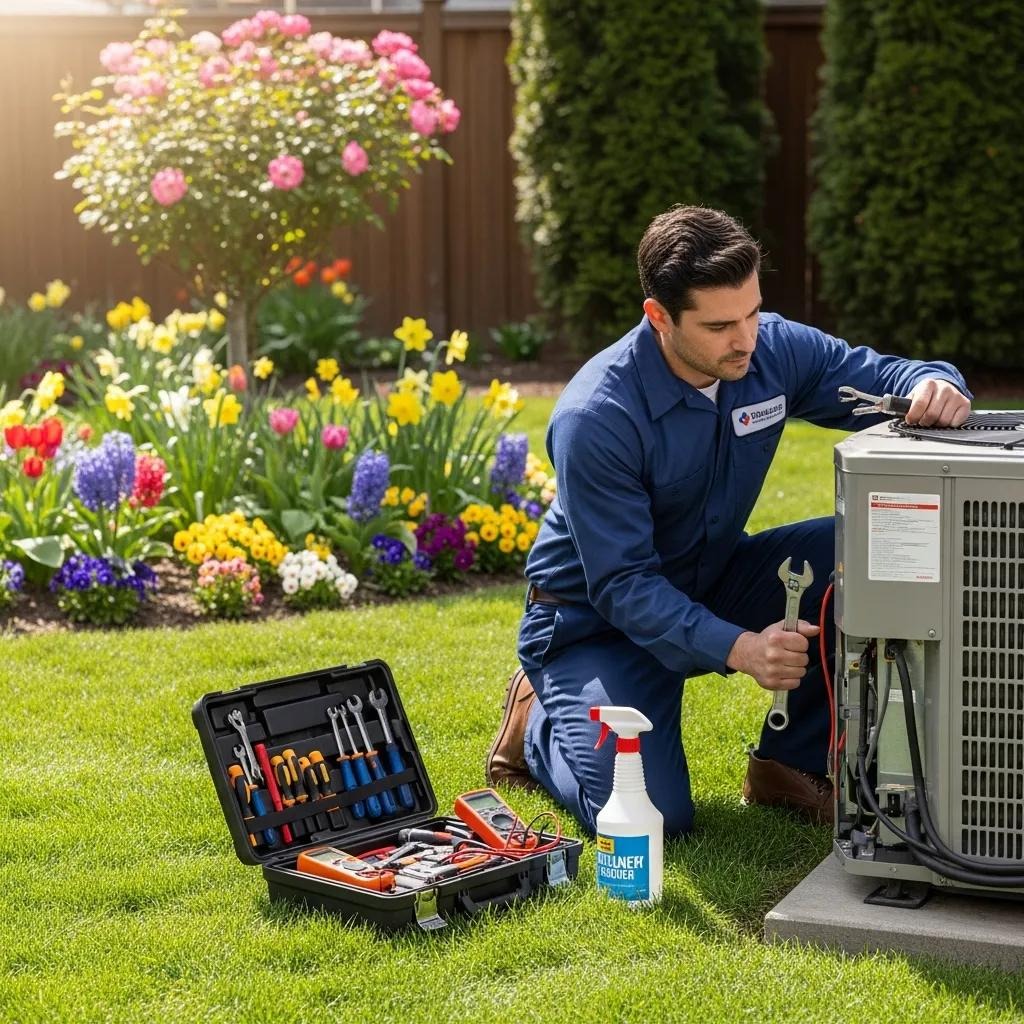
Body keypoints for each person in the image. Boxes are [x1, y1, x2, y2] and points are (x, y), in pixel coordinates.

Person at [484, 204, 971, 835]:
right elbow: (623, 586)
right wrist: (742, 648)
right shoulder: (596, 417)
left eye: (752, 312)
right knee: (651, 819)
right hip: (596, 623)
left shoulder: (769, 347)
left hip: (713, 574)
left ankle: (788, 766)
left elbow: (884, 376)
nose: (745, 339)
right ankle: (537, 722)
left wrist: (936, 383)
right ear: (658, 317)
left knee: (869, 543)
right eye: (719, 325)